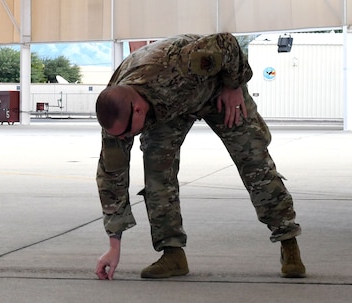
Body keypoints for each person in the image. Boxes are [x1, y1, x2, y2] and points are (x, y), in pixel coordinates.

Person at [93, 33, 305, 280]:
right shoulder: (116, 114)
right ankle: (172, 254)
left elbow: (226, 42)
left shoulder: (179, 64)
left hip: (215, 91)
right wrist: (114, 246)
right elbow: (111, 178)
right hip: (167, 111)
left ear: (137, 110)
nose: (124, 138)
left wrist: (233, 85)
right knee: (157, 175)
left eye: (128, 132)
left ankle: (288, 242)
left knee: (254, 159)